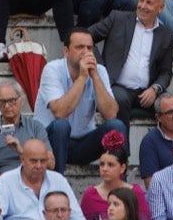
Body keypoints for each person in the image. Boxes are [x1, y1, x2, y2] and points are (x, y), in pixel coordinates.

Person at [36, 27, 126, 168]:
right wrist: (82, 77)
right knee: (61, 126)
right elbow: (60, 112)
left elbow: (111, 114)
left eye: (89, 48)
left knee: (116, 126)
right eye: (79, 47)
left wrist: (95, 76)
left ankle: (119, 186)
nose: (86, 52)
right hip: (51, 143)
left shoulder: (100, 70)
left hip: (84, 143)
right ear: (66, 51)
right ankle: (57, 188)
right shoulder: (52, 69)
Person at [91, 0, 173, 120]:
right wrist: (100, 68)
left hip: (147, 91)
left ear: (161, 8)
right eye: (141, 0)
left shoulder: (166, 35)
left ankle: (168, 141)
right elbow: (86, 37)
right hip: (117, 86)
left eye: (149, 3)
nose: (142, 6)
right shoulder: (118, 19)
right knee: (120, 100)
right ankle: (121, 142)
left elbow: (166, 71)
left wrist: (155, 89)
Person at [0, 138, 91, 220]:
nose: (39, 166)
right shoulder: (6, 182)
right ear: (22, 160)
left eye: (43, 161)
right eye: (34, 161)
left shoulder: (58, 180)